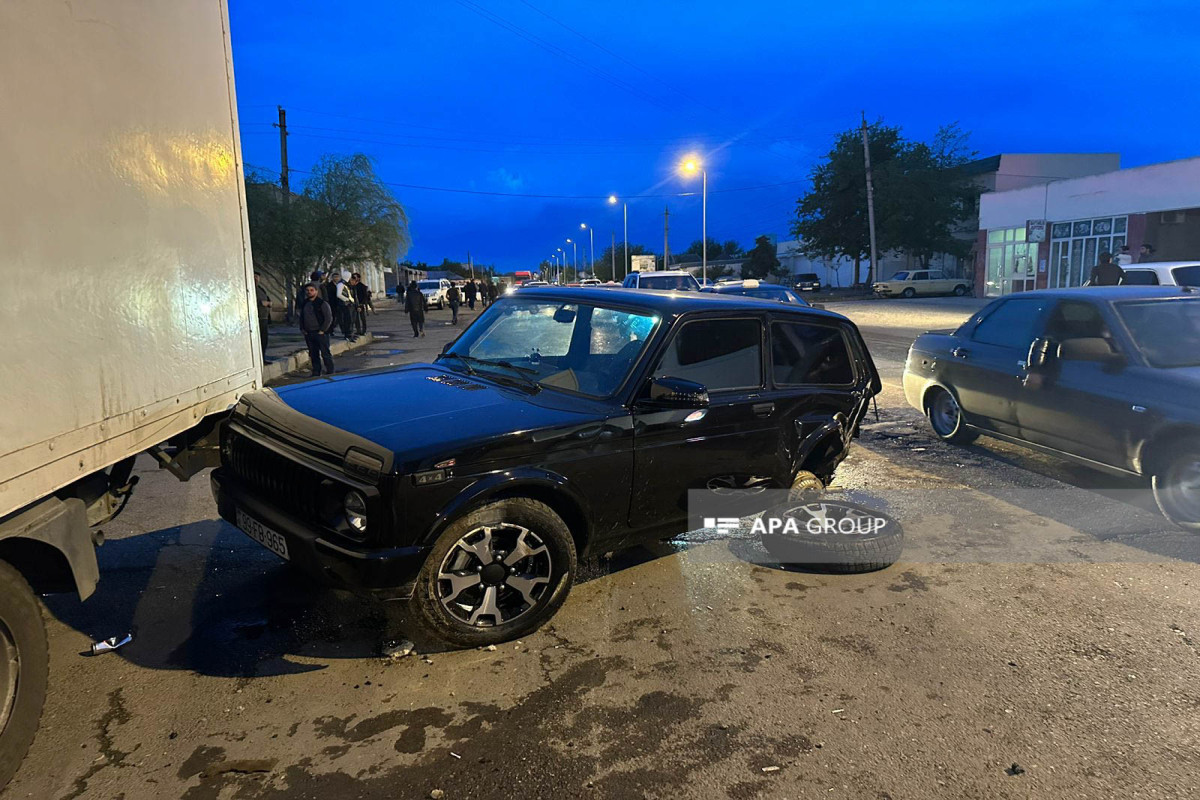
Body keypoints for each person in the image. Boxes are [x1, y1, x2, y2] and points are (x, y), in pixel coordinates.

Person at [297, 282, 335, 377]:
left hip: (321, 333)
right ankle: (316, 371)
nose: (309, 292)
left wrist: (323, 330)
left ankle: (330, 371)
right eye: (307, 290)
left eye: (311, 290)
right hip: (309, 333)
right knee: (313, 354)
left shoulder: (322, 303)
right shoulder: (305, 303)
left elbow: (328, 318)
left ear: (316, 292)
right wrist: (302, 329)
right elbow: (302, 317)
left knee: (325, 354)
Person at [332, 270, 355, 341]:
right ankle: (347, 334)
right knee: (347, 320)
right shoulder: (341, 284)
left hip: (349, 304)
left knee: (351, 320)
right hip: (345, 304)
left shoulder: (346, 284)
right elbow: (338, 295)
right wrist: (346, 299)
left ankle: (350, 334)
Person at [253, 272, 271, 362]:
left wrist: (269, 303)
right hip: (256, 318)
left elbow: (267, 299)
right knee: (257, 341)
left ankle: (262, 358)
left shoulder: (260, 289)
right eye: (254, 277)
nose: (256, 279)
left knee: (264, 340)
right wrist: (260, 303)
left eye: (257, 277)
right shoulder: (249, 289)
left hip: (264, 318)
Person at [350, 273, 371, 337]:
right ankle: (358, 330)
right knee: (356, 318)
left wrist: (362, 304)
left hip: (361, 303)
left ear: (358, 278)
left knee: (362, 318)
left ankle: (364, 330)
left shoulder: (362, 286)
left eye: (355, 277)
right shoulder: (351, 286)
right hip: (354, 304)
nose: (354, 279)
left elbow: (365, 296)